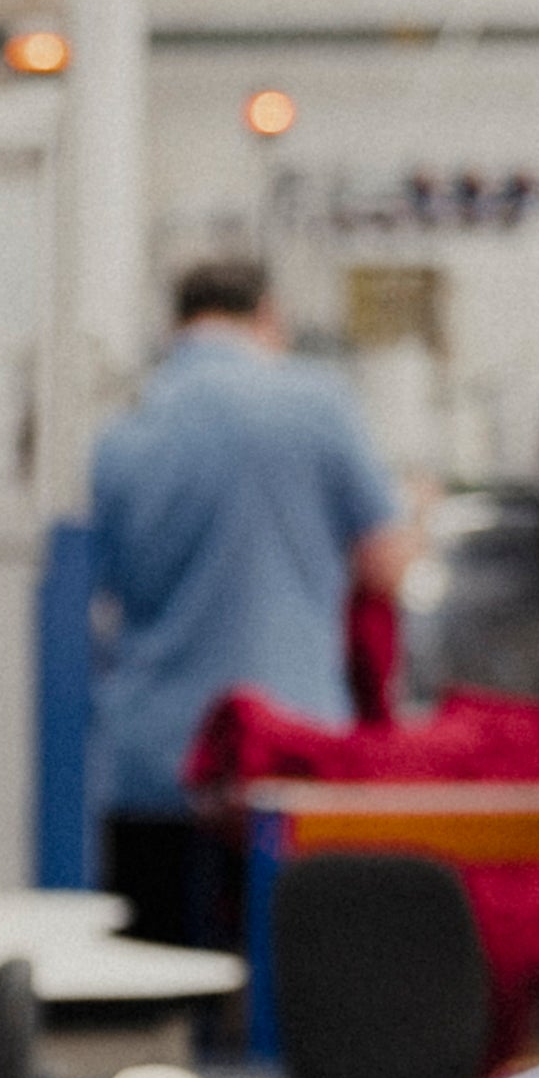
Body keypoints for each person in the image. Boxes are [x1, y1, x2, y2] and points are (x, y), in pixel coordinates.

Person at [85, 254, 414, 955]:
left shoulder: (120, 435)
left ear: (176, 326)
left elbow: (101, 594)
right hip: (286, 756)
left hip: (152, 762)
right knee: (287, 1002)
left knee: (159, 1000)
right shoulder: (316, 404)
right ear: (270, 318)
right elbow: (385, 563)